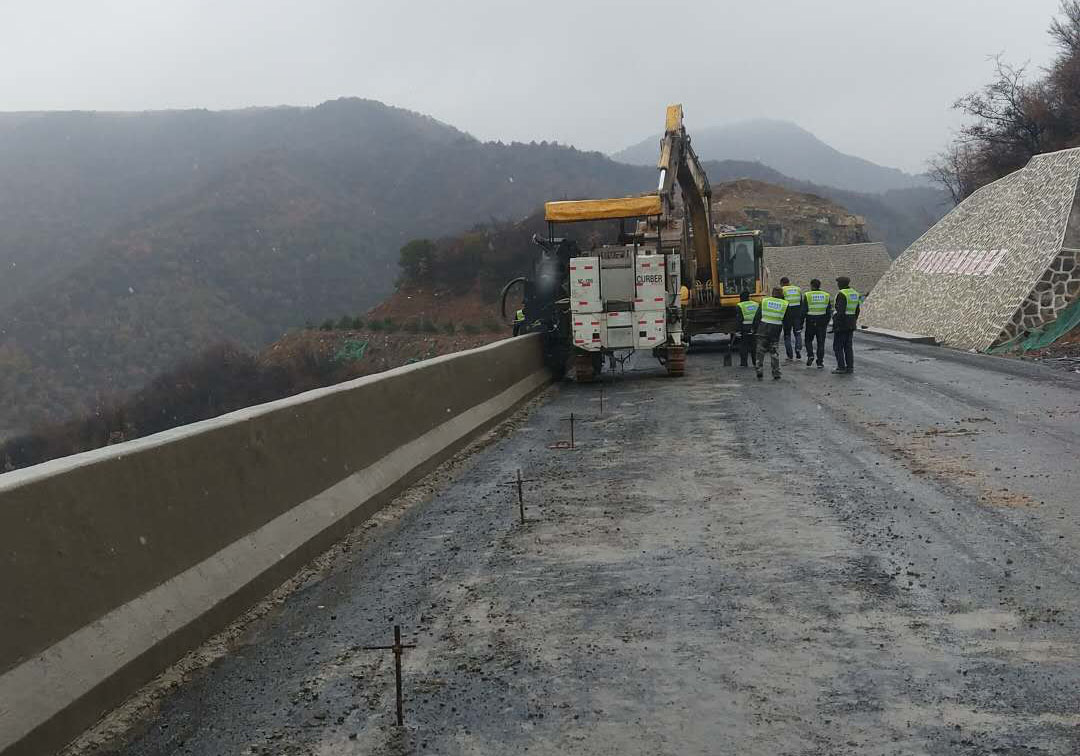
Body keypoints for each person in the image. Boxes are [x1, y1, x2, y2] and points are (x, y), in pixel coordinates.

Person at [753, 286, 789, 380]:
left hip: (763, 327)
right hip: (776, 329)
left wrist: (754, 328)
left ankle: (759, 370)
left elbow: (758, 316)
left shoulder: (765, 301)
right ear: (781, 294)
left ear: (772, 293)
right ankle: (776, 372)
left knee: (760, 350)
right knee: (774, 351)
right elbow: (786, 319)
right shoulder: (784, 303)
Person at [832, 276, 861, 374]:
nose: (837, 285)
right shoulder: (855, 293)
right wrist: (854, 320)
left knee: (838, 346)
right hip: (851, 322)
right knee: (848, 346)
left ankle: (841, 367)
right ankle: (850, 367)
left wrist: (836, 325)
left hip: (842, 323)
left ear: (841, 284)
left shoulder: (842, 294)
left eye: (838, 283)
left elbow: (840, 311)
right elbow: (857, 310)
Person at [802, 278, 832, 369]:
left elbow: (804, 310)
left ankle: (810, 355)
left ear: (811, 285)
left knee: (808, 340)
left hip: (810, 321)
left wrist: (800, 322)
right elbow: (828, 310)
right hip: (822, 321)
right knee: (821, 342)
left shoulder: (808, 295)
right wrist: (826, 322)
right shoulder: (826, 295)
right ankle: (820, 362)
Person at [779, 277, 803, 362]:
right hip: (797, 314)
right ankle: (798, 349)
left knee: (787, 335)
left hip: (787, 316)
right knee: (797, 333)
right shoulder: (798, 289)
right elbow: (801, 302)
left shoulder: (782, 290)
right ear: (789, 282)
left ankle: (790, 356)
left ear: (782, 283)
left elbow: (781, 303)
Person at [734, 291, 759, 368]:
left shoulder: (740, 305)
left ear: (741, 298)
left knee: (743, 346)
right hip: (754, 328)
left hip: (745, 328)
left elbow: (739, 319)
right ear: (749, 297)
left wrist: (737, 330)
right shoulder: (756, 304)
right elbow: (758, 317)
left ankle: (744, 363)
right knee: (754, 346)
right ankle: (755, 362)